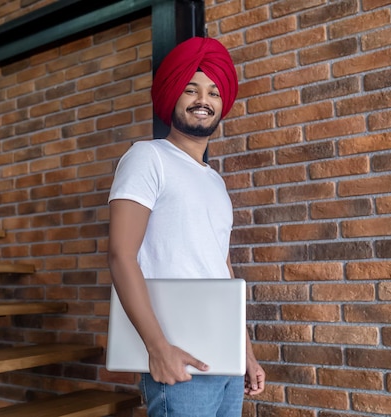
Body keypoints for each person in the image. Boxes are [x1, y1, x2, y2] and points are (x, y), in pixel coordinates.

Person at [107, 36, 266, 417]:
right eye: (191, 89)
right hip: (177, 358)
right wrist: (157, 348)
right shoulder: (148, 158)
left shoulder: (215, 181)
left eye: (213, 92)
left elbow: (221, 271)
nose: (203, 100)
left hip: (224, 359)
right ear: (172, 96)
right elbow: (120, 255)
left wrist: (246, 353)